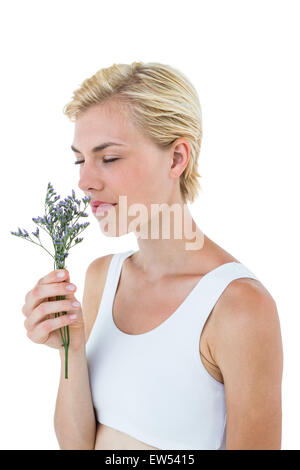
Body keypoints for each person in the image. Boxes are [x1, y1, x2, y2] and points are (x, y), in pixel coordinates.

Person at [22, 62, 283, 450]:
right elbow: (77, 445)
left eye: (108, 158)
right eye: (80, 160)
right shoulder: (101, 278)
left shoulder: (238, 307)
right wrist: (70, 350)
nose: (84, 182)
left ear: (177, 158)